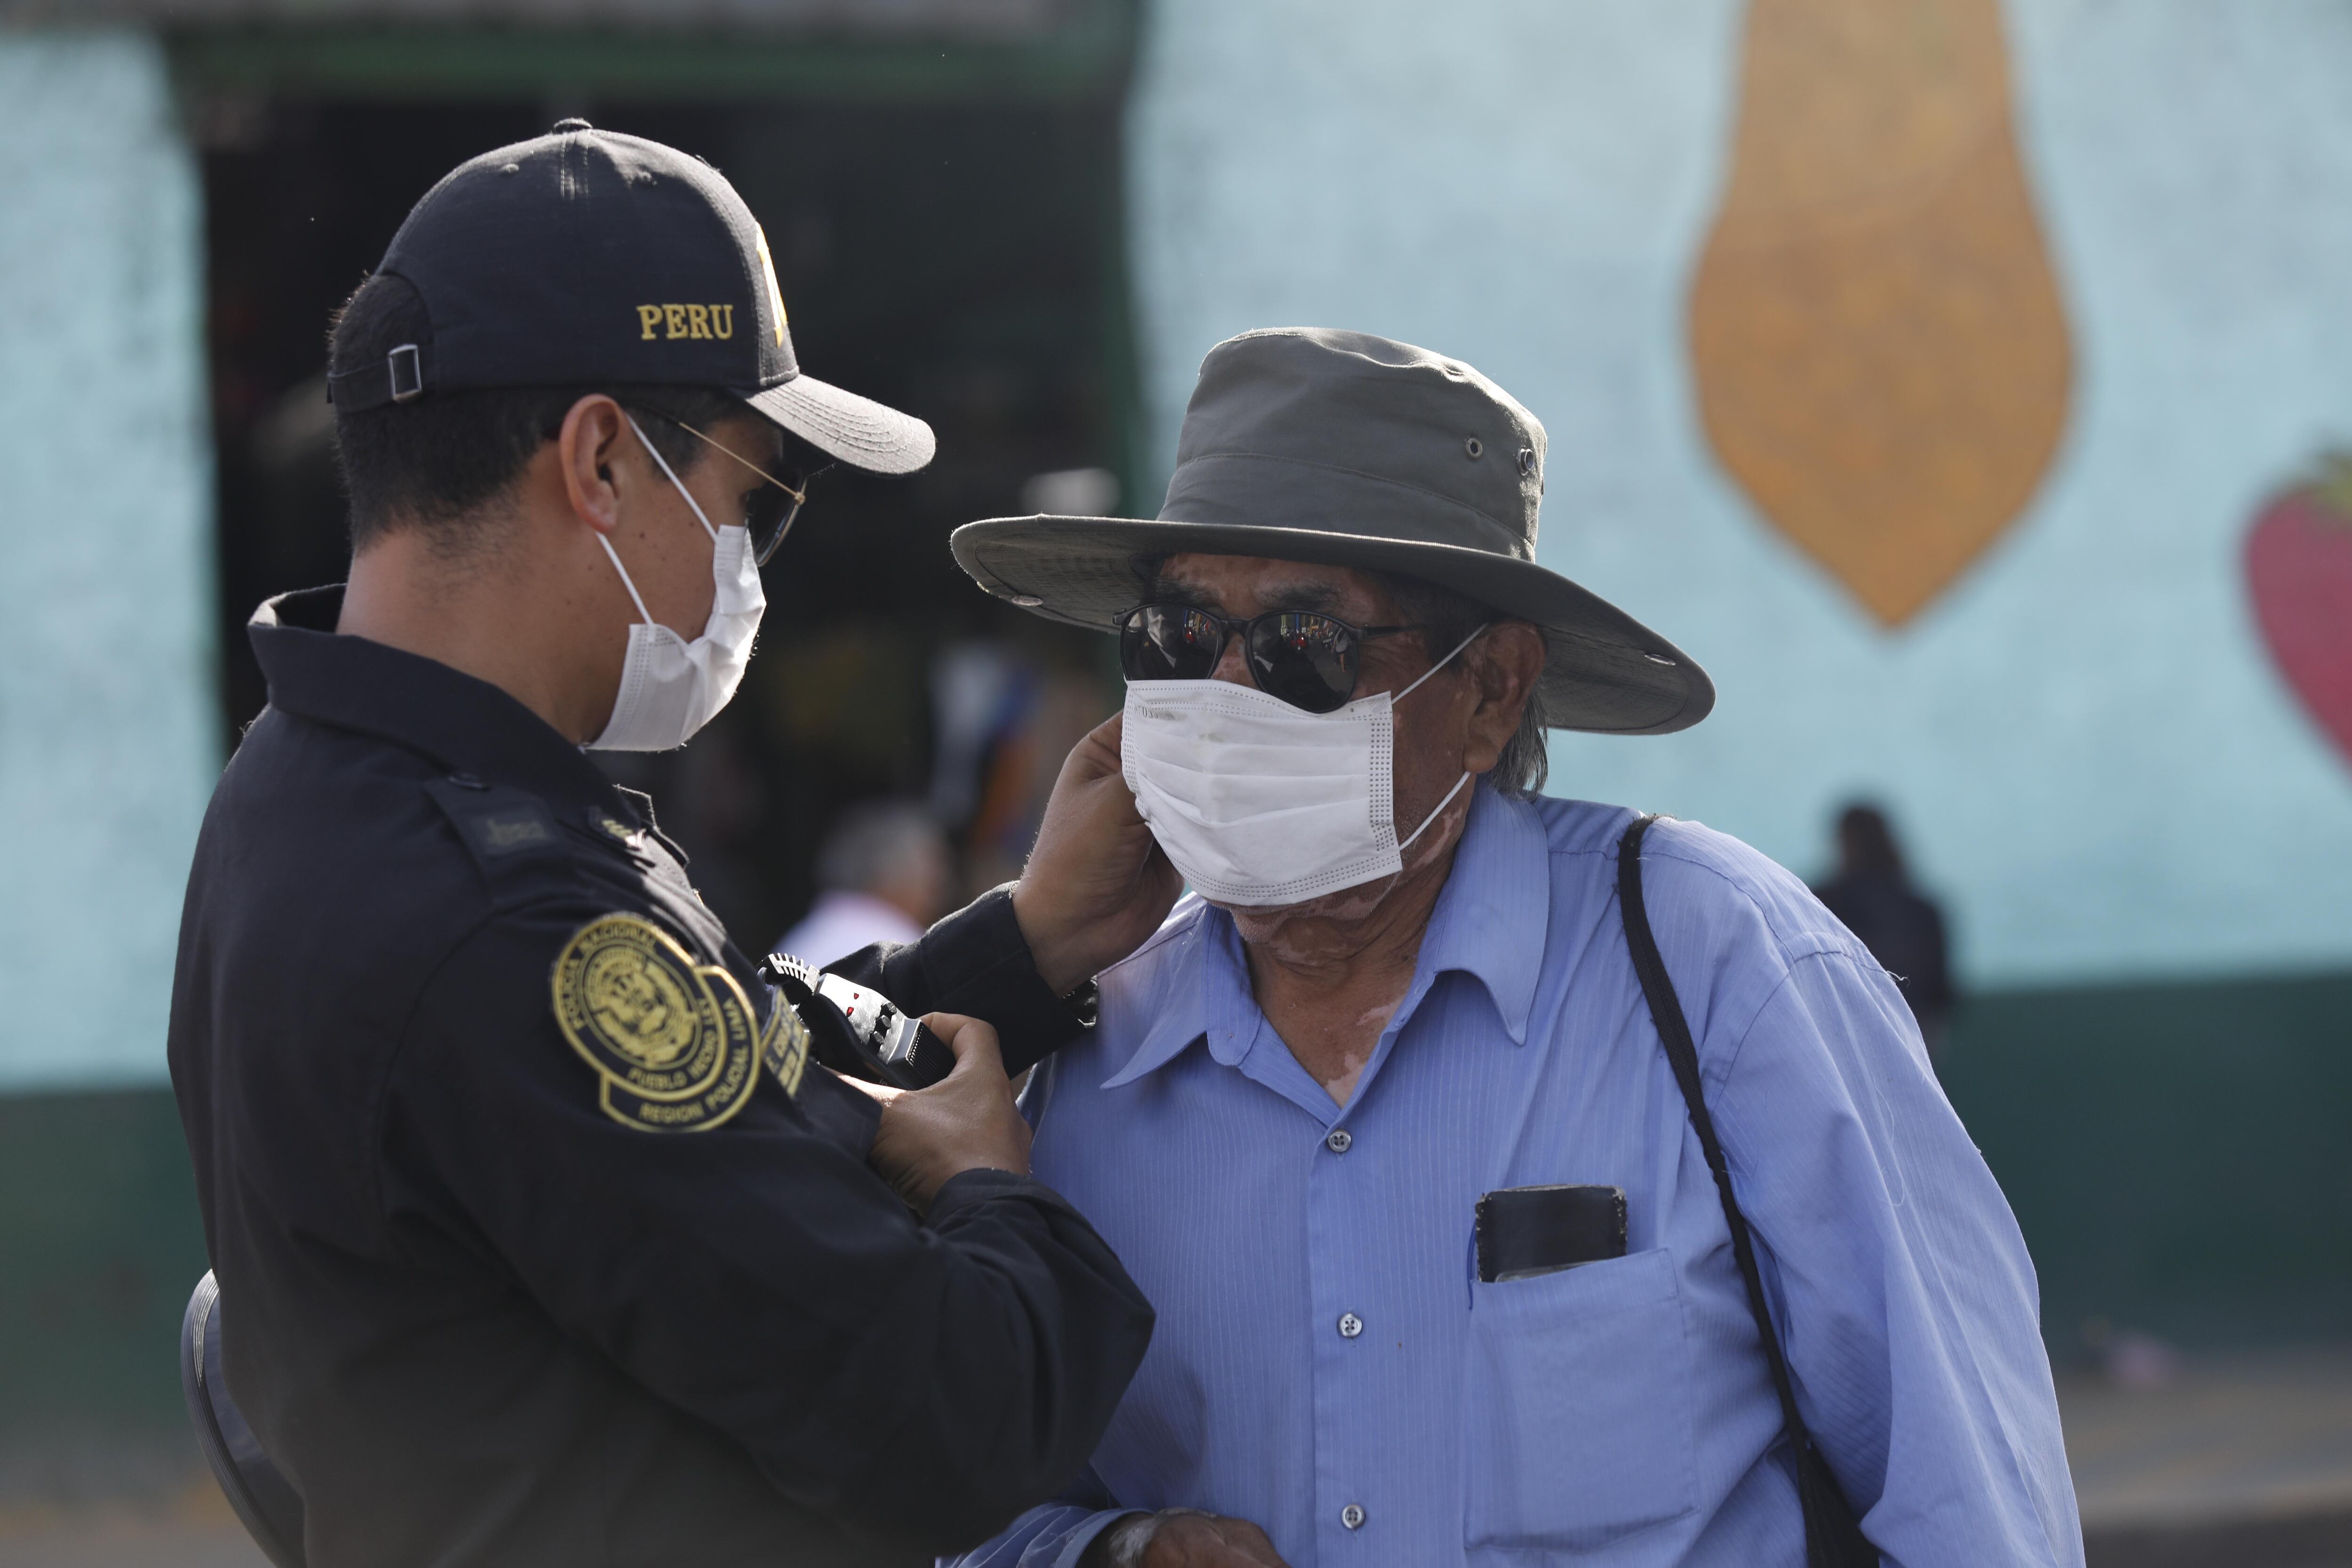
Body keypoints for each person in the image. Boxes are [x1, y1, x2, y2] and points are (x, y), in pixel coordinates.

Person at [168, 122, 1180, 1568]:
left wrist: (1021, 949)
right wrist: (988, 1190)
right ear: (597, 459)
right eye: (749, 496)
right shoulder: (500, 917)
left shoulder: (316, 780)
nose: (748, 559)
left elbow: (725, 1069)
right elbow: (953, 1412)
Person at [944, 328, 2082, 1567]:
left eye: (1303, 645)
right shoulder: (1081, 1056)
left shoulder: (1721, 971)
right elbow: (958, 1510)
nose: (1222, 694)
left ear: (1489, 690)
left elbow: (1970, 1501)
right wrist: (1112, 1550)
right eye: (1175, 635)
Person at [1813, 802, 1955, 1052]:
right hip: (1916, 1040)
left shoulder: (1820, 904)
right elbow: (1942, 994)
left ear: (1843, 842)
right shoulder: (1924, 910)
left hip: (1840, 1042)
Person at [779, 800, 954, 964]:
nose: (942, 890)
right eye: (932, 874)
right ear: (890, 873)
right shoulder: (900, 950)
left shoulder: (807, 935)